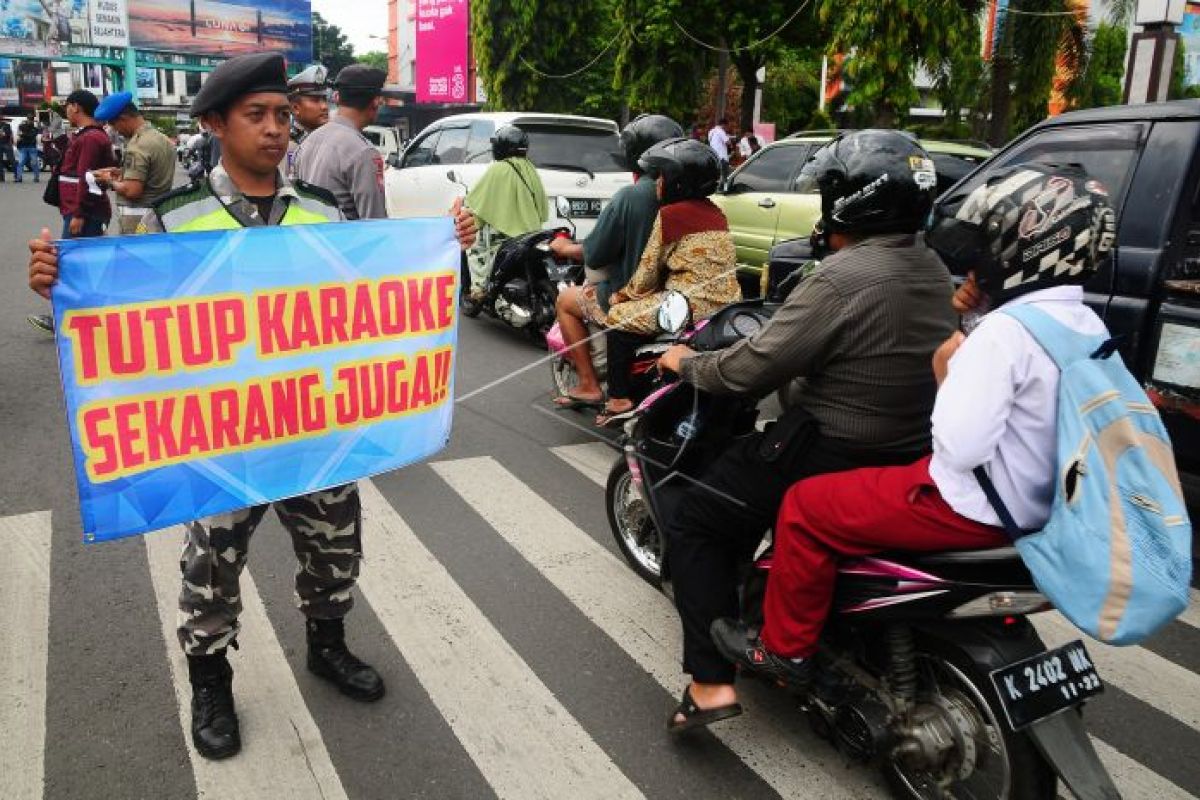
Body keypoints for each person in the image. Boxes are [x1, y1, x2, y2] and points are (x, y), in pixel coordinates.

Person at [26, 52, 477, 762]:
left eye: (280, 116)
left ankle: (327, 645)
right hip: (221, 437)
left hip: (314, 427)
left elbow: (373, 295)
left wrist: (442, 248)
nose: (275, 131)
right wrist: (56, 280)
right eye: (255, 116)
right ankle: (212, 680)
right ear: (214, 123)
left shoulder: (323, 212)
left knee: (334, 554)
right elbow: (118, 313)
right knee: (212, 567)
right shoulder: (171, 219)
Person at [710, 164, 1119, 689]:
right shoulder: (1083, 322)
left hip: (972, 505)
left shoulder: (1005, 334)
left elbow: (959, 447)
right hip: (1046, 500)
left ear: (1029, 246)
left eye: (991, 245)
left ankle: (784, 650)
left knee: (806, 507)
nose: (978, 259)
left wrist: (947, 366)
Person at [653, 130, 953, 733]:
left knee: (696, 519)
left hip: (829, 446)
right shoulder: (933, 265)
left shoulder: (841, 277)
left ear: (849, 200)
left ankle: (709, 685)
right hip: (908, 448)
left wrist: (686, 363)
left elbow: (751, 368)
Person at [597, 137, 742, 426]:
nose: (657, 183)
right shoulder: (717, 213)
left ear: (678, 181)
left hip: (687, 306)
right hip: (727, 305)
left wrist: (621, 296)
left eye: (661, 176)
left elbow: (647, 274)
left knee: (616, 318)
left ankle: (618, 399)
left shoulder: (670, 215)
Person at [549, 113, 683, 409]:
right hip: (682, 301)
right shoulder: (693, 195)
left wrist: (565, 247)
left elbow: (596, 254)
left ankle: (588, 384)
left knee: (565, 303)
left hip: (631, 300)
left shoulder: (631, 197)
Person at [28, 90, 116, 334]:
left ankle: (65, 318)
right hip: (82, 210)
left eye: (67, 106)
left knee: (72, 266)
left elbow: (85, 177)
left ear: (76, 107)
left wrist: (78, 213)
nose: (66, 110)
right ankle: (82, 315)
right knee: (82, 266)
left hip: (84, 212)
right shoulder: (88, 136)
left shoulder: (90, 138)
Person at [462, 124, 548, 302]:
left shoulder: (498, 168)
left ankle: (479, 289)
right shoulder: (530, 168)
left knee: (475, 246)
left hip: (506, 234)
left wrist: (465, 207)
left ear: (500, 147)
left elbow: (478, 201)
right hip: (532, 232)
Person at [294, 63, 387, 220]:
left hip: (311, 240)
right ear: (376, 102)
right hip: (346, 243)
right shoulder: (363, 152)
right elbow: (374, 222)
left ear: (337, 98)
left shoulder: (307, 142)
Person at [90, 92, 178, 234]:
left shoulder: (138, 145)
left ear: (123, 118)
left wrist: (108, 181)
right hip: (158, 213)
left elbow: (132, 190)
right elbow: (151, 174)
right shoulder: (162, 139)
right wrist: (121, 173)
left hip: (137, 218)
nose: (115, 130)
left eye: (113, 124)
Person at [286, 63, 330, 179]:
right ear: (296, 108)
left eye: (324, 99)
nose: (324, 106)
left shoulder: (329, 141)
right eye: (315, 100)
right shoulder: (288, 147)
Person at [17, 113, 40, 182]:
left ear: (33, 120)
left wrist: (22, 134)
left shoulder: (34, 128)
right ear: (27, 119)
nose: (30, 120)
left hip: (32, 147)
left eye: (31, 119)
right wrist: (23, 134)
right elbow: (19, 133)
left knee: (34, 163)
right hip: (23, 147)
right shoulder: (22, 126)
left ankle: (36, 177)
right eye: (29, 119)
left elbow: (30, 135)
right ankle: (19, 177)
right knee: (21, 162)